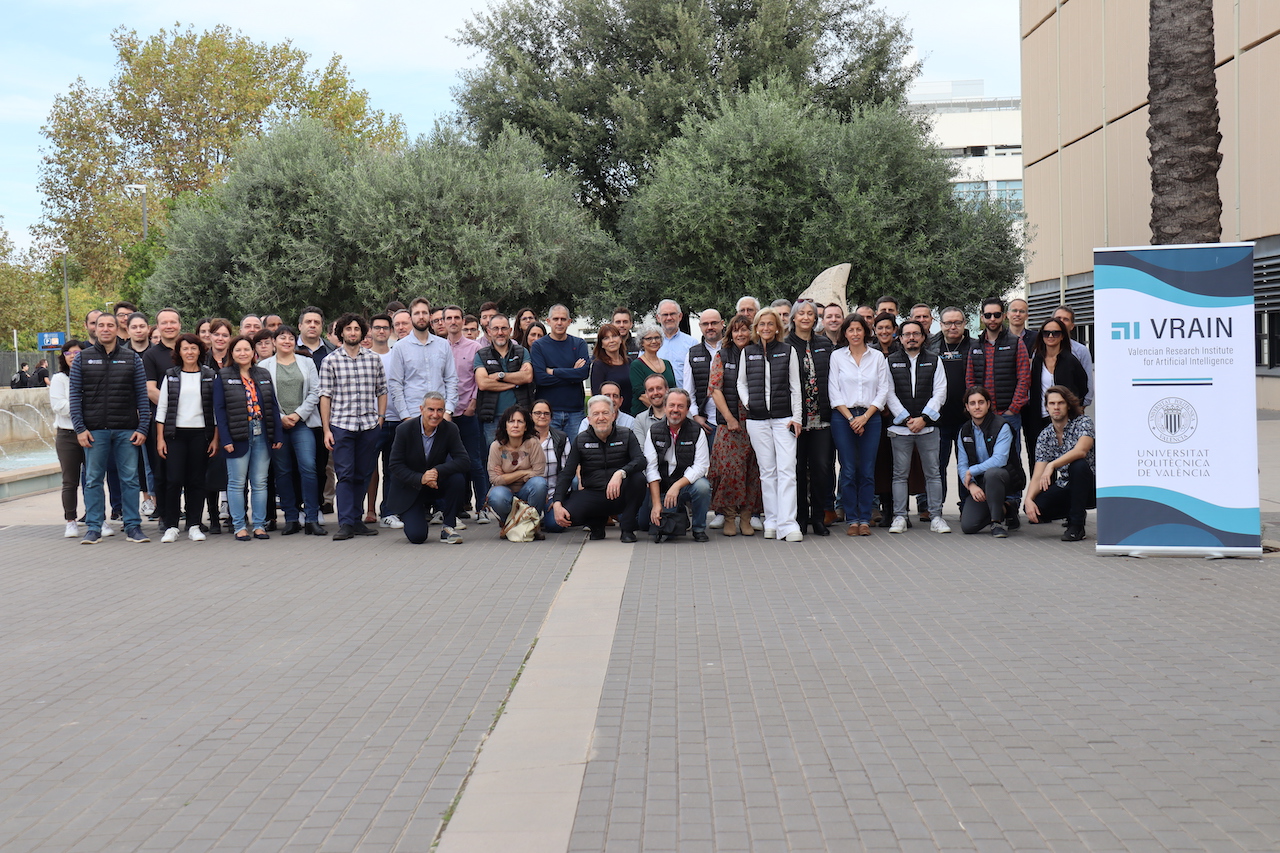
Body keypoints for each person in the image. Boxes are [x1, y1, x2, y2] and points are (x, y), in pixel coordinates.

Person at [69, 312, 151, 544]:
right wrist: (80, 428)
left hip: (126, 429)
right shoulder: (82, 359)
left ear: (117, 329)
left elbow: (141, 396)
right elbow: (75, 396)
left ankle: (133, 527)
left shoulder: (132, 358)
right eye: (100, 325)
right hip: (94, 431)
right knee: (94, 479)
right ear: (94, 329)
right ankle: (94, 528)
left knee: (130, 479)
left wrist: (143, 427)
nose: (105, 329)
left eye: (110, 325)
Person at [320, 313, 388, 541]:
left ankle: (357, 520)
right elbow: (325, 396)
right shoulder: (331, 361)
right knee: (346, 475)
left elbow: (382, 391)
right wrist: (327, 429)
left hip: (369, 426)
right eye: (348, 329)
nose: (352, 332)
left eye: (356, 329)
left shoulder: (373, 359)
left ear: (362, 333)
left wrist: (380, 418)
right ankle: (346, 522)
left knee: (363, 474)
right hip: (342, 426)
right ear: (341, 333)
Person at [737, 307, 803, 542]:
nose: (766, 328)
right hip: (757, 420)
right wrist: (749, 403)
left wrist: (797, 417)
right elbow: (741, 384)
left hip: (784, 418)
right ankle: (772, 521)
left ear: (778, 327)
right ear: (756, 327)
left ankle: (789, 523)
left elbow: (796, 386)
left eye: (770, 324)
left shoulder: (788, 351)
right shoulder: (748, 352)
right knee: (767, 472)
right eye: (761, 324)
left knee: (787, 470)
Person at [966, 297, 1031, 519]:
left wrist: (1013, 408)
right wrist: (976, 408)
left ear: (1003, 316)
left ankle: (1011, 504)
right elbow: (970, 380)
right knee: (984, 457)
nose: (992, 319)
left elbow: (1024, 377)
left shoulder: (1015, 342)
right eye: (988, 315)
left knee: (1010, 460)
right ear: (982, 318)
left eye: (996, 315)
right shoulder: (975, 346)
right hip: (983, 417)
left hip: (1008, 415)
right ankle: (988, 500)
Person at [214, 335, 284, 541]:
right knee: (236, 483)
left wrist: (277, 433)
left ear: (253, 353)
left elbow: (272, 405)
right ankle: (239, 526)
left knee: (260, 482)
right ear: (232, 353)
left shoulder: (263, 373)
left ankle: (260, 525)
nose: (242, 353)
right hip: (237, 434)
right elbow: (219, 410)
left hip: (262, 432)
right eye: (238, 350)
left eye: (246, 349)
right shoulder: (223, 376)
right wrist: (225, 440)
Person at [884, 319, 950, 534]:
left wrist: (923, 418)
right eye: (907, 334)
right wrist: (905, 419)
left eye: (916, 334)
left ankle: (936, 516)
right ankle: (900, 517)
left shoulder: (934, 360)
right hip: (900, 429)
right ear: (900, 338)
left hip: (928, 428)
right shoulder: (890, 361)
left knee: (933, 473)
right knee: (899, 475)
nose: (911, 337)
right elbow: (888, 392)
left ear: (923, 337)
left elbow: (940, 392)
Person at [259, 325, 326, 536]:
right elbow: (263, 396)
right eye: (281, 338)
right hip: (277, 425)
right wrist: (280, 418)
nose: (286, 341)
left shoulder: (307, 363)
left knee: (308, 467)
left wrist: (298, 414)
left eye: (290, 338)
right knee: (283, 471)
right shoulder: (264, 365)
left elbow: (316, 391)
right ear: (274, 342)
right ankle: (290, 518)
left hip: (303, 423)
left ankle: (312, 518)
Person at [551, 395, 647, 541]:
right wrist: (557, 502)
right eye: (596, 414)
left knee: (639, 479)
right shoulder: (581, 440)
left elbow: (640, 461)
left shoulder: (626, 434)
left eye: (605, 413)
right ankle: (596, 525)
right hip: (594, 493)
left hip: (621, 493)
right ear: (589, 419)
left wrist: (620, 473)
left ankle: (627, 528)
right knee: (569, 515)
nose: (601, 418)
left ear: (613, 415)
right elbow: (567, 473)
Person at [828, 314, 890, 536]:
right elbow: (834, 391)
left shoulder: (877, 358)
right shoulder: (837, 357)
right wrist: (852, 418)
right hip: (843, 418)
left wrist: (865, 417)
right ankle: (851, 519)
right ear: (845, 333)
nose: (855, 334)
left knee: (866, 469)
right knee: (848, 469)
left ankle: (865, 518)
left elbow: (883, 389)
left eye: (858, 329)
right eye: (850, 330)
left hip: (871, 417)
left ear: (866, 331)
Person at [155, 334, 217, 542]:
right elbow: (162, 409)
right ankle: (171, 525)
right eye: (185, 348)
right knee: (173, 480)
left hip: (201, 434)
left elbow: (215, 411)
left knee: (197, 481)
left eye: (193, 348)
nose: (189, 352)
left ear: (200, 351)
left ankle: (194, 524)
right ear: (179, 352)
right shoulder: (170, 375)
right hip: (175, 434)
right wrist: (160, 439)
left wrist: (215, 438)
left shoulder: (210, 375)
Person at [385, 392, 469, 544]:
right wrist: (421, 478)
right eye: (431, 409)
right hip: (411, 488)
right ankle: (413, 515)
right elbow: (395, 465)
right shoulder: (404, 430)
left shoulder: (450, 429)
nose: (435, 415)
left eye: (440, 410)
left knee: (457, 479)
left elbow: (463, 460)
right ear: (421, 409)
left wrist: (437, 472)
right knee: (417, 537)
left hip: (435, 485)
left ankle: (448, 527)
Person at [708, 314, 762, 536]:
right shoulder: (722, 355)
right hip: (730, 424)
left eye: (745, 329)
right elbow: (715, 389)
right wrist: (730, 418)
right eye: (736, 330)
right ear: (730, 333)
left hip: (756, 422)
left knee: (753, 471)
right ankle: (729, 516)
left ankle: (747, 517)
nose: (741, 334)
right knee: (730, 471)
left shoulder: (760, 354)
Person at [786, 300, 835, 535]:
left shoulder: (825, 343)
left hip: (822, 419)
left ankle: (818, 517)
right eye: (801, 313)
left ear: (816, 319)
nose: (806, 317)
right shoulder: (784, 344)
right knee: (796, 470)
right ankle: (800, 518)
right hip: (795, 419)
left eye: (810, 314)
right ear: (793, 318)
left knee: (821, 469)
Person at [1025, 386, 1095, 542]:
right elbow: (1037, 475)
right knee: (1036, 508)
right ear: (1046, 407)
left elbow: (1081, 451)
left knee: (1078, 465)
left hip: (1092, 485)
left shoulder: (1083, 422)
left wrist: (1052, 465)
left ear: (1068, 405)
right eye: (1052, 403)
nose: (1056, 407)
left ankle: (1076, 525)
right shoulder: (1045, 435)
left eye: (1060, 403)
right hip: (1067, 486)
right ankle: (1073, 511)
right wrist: (1028, 500)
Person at [640, 389, 711, 542]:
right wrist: (657, 504)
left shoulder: (697, 431)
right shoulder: (654, 431)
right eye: (671, 405)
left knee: (703, 487)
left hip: (685, 483)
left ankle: (699, 529)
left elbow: (701, 466)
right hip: (663, 485)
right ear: (665, 407)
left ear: (687, 409)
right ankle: (680, 513)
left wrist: (677, 486)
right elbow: (650, 468)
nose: (675, 410)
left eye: (681, 406)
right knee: (647, 525)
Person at [957, 386, 1025, 537]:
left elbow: (999, 460)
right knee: (969, 526)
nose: (977, 407)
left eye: (981, 402)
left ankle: (996, 522)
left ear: (988, 404)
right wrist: (972, 485)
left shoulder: (1002, 426)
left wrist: (972, 471)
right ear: (967, 407)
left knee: (992, 473)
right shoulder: (964, 431)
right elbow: (962, 464)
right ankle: (1007, 508)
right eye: (972, 403)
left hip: (1006, 478)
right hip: (981, 483)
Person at [443, 305, 489, 523]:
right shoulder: (438, 347)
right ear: (443, 322)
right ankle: (448, 510)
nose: (453, 321)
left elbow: (479, 379)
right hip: (444, 416)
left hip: (467, 412)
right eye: (448, 318)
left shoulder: (474, 348)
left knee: (475, 461)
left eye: (456, 318)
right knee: (447, 463)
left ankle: (482, 508)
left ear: (463, 321)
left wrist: (473, 402)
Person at [1025, 318, 1089, 471]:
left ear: (1062, 336)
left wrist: (1073, 408)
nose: (1051, 336)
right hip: (1038, 417)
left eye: (1056, 333)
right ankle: (1042, 494)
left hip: (1066, 420)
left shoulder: (1070, 360)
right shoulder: (1037, 360)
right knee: (1039, 462)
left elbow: (1082, 387)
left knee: (1068, 463)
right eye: (1046, 333)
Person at [388, 296, 459, 425]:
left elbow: (451, 379)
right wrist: (405, 416)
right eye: (417, 313)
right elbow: (395, 384)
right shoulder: (400, 348)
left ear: (430, 316)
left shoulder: (443, 345)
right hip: (412, 415)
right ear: (410, 317)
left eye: (424, 313)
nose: (421, 317)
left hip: (440, 416)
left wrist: (448, 411)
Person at [934, 307, 976, 509]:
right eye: (948, 323)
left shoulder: (975, 347)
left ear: (964, 324)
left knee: (966, 466)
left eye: (957, 322)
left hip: (967, 420)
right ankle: (936, 507)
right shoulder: (932, 347)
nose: (953, 327)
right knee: (937, 466)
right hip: (938, 420)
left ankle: (967, 506)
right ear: (941, 324)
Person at [486, 404, 547, 536]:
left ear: (526, 426)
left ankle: (532, 524)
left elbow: (538, 473)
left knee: (539, 483)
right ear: (505, 425)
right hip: (506, 492)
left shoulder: (533, 443)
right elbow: (495, 480)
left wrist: (507, 475)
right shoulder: (496, 447)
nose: (515, 425)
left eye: (520, 421)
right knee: (496, 495)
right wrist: (525, 472)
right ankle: (509, 523)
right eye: (511, 421)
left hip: (527, 490)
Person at [475, 314, 535, 447]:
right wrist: (515, 382)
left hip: (520, 416)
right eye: (495, 328)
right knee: (496, 459)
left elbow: (527, 377)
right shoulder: (481, 354)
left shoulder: (522, 351)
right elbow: (483, 384)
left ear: (510, 331)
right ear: (489, 331)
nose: (500, 332)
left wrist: (500, 375)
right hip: (493, 417)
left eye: (503, 328)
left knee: (523, 456)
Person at [531, 304, 590, 434]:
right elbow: (541, 378)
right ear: (548, 321)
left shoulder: (579, 343)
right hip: (548, 412)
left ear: (569, 322)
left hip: (575, 411)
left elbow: (583, 373)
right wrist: (572, 375)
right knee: (548, 453)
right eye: (555, 319)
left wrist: (554, 371)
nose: (559, 323)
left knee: (576, 453)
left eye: (563, 319)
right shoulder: (538, 346)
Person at [364, 314, 397, 527]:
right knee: (368, 467)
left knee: (392, 468)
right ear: (372, 331)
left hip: (396, 418)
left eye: (385, 328)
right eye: (377, 328)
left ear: (390, 331)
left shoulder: (398, 355)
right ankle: (369, 510)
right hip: (371, 421)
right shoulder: (363, 357)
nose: (381, 331)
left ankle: (389, 511)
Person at [50, 340, 84, 538]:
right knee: (70, 481)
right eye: (69, 353)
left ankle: (97, 519)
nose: (73, 356)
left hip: (90, 432)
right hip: (67, 435)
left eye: (78, 353)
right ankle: (71, 520)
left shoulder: (91, 377)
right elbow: (59, 406)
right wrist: (83, 406)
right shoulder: (59, 379)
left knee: (94, 480)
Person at [530, 399, 570, 532]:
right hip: (530, 492)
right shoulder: (523, 438)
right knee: (538, 483)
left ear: (551, 417)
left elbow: (566, 472)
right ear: (531, 416)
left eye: (546, 413)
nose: (542, 416)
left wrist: (558, 499)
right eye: (538, 413)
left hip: (553, 494)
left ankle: (543, 518)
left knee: (556, 526)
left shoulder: (561, 438)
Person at [684, 309, 723, 442]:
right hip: (707, 422)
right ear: (700, 326)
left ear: (722, 324)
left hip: (731, 421)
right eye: (705, 324)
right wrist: (695, 415)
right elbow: (688, 390)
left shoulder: (732, 349)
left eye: (714, 323)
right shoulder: (692, 353)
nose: (710, 327)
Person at [1051, 305, 1095, 405]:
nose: (1061, 321)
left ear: (1071, 326)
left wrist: (1082, 405)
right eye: (1058, 318)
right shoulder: (1040, 349)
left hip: (1071, 408)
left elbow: (1088, 382)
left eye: (1065, 319)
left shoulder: (1081, 350)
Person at [628, 328, 675, 415]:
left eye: (657, 338)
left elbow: (673, 390)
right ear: (642, 342)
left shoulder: (667, 363)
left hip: (669, 415)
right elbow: (642, 395)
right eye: (649, 338)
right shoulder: (636, 365)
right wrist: (663, 413)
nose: (654, 341)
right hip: (645, 415)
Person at [590, 323, 632, 413]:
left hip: (631, 414)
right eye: (606, 338)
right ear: (601, 344)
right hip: (610, 414)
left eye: (614, 336)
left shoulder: (629, 362)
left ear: (620, 339)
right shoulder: (598, 366)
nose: (611, 340)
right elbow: (597, 396)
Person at [656, 299, 696, 382]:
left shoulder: (692, 343)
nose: (669, 318)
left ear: (680, 316)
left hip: (684, 393)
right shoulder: (649, 343)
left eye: (672, 314)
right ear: (658, 318)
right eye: (665, 315)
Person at [631, 373, 670, 441]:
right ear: (646, 394)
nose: (655, 393)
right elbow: (641, 448)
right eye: (651, 390)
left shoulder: (680, 413)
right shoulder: (640, 419)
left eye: (659, 388)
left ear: (667, 390)